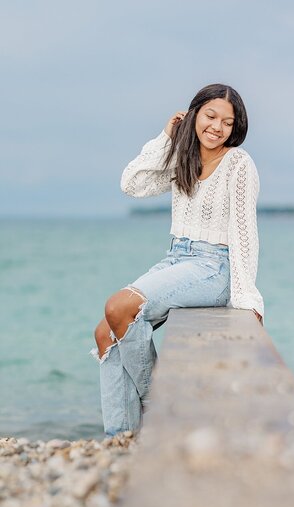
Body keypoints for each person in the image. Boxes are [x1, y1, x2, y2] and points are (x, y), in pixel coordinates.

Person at [90, 83, 264, 437]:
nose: (217, 127)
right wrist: (167, 136)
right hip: (177, 258)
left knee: (119, 306)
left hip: (214, 266)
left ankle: (159, 405)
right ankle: (122, 441)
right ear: (194, 114)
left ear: (236, 127)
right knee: (106, 332)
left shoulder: (239, 164)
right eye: (210, 116)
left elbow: (245, 233)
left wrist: (248, 299)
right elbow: (132, 184)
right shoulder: (182, 158)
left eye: (227, 122)